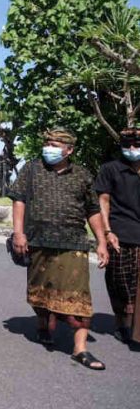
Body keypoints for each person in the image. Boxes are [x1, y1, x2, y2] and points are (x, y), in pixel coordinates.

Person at [10, 128, 109, 370]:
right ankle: (44, 322)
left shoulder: (83, 175)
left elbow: (92, 210)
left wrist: (102, 241)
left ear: (69, 150)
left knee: (80, 296)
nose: (49, 148)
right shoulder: (31, 169)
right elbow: (19, 199)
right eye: (47, 143)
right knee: (39, 292)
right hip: (38, 242)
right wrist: (19, 232)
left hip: (73, 243)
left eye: (55, 144)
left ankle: (80, 349)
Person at [96, 127, 140, 345]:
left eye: (137, 145)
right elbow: (103, 201)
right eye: (127, 146)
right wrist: (107, 231)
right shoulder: (110, 169)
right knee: (120, 283)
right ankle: (122, 324)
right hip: (120, 234)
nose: (132, 149)